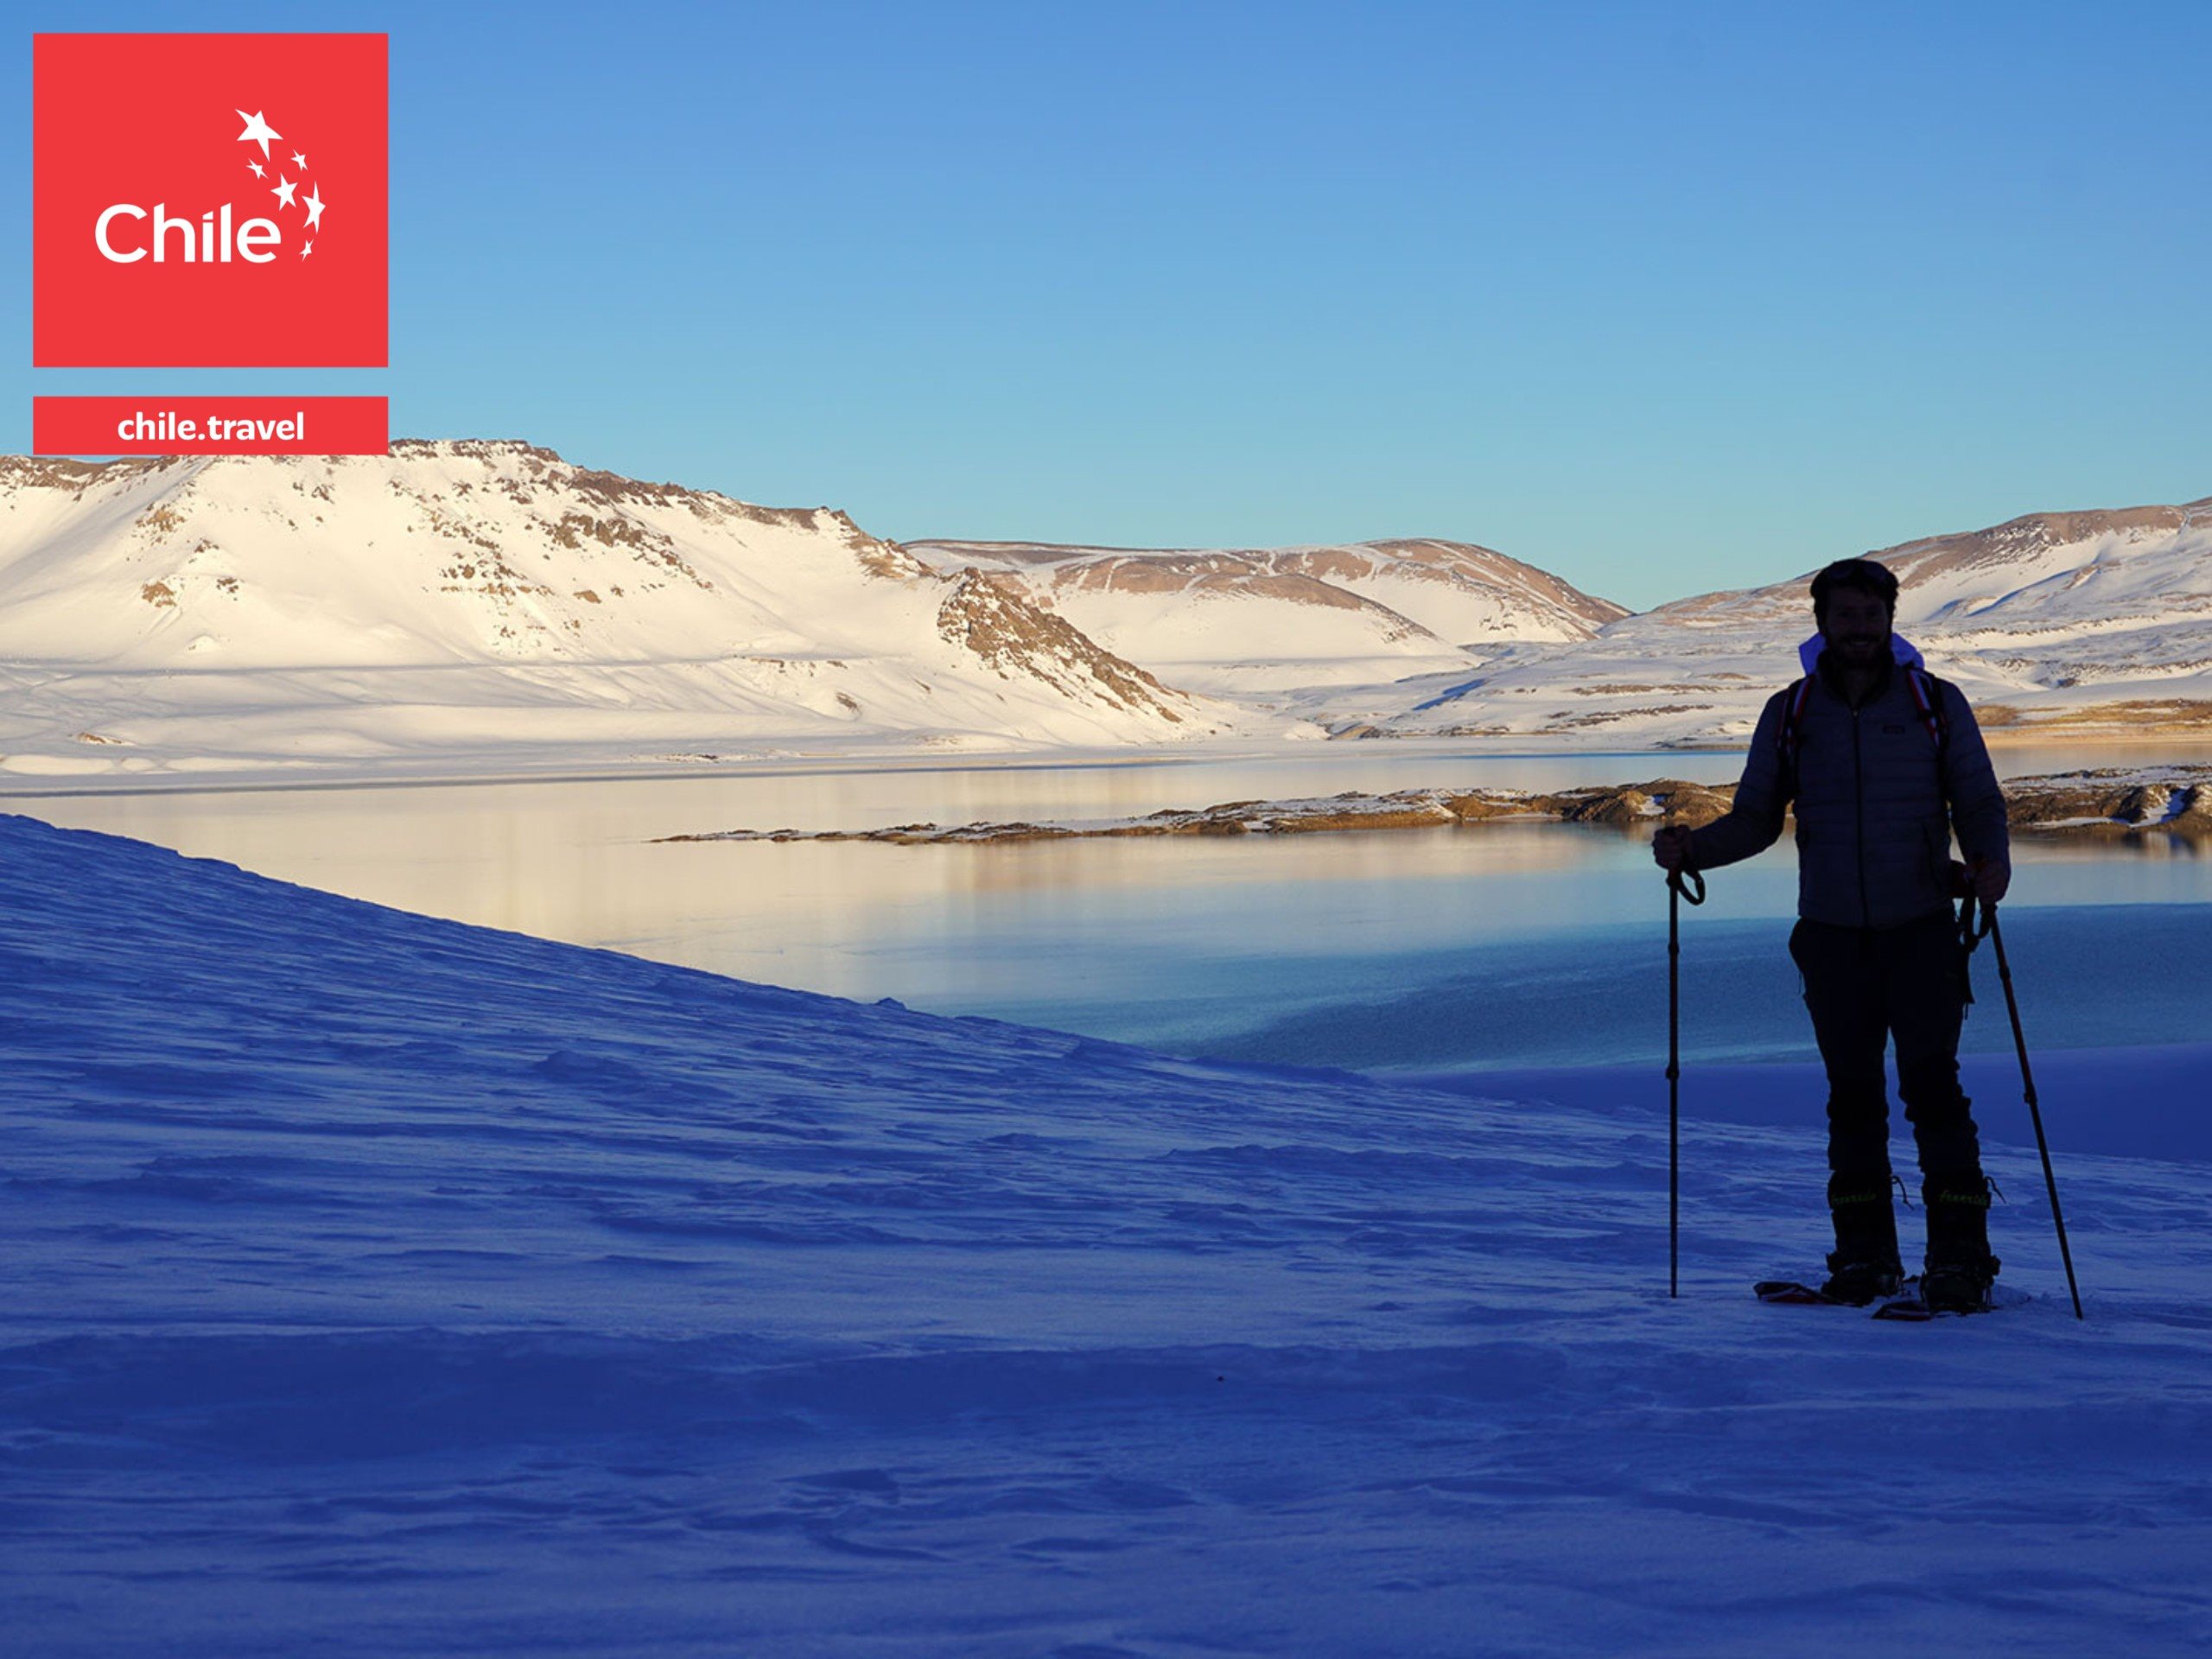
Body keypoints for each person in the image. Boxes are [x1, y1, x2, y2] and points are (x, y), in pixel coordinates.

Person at [1652, 558, 2012, 1312]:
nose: (1857, 628)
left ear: (1890, 619)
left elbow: (1978, 797)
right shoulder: (1790, 712)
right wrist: (1693, 851)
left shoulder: (1933, 703)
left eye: (1869, 615)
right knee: (1852, 1101)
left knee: (1933, 1093)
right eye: (1843, 616)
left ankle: (1961, 1262)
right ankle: (1863, 1263)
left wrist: (1990, 861)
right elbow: (1755, 819)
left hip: (1920, 931)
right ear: (1821, 623)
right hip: (1831, 936)